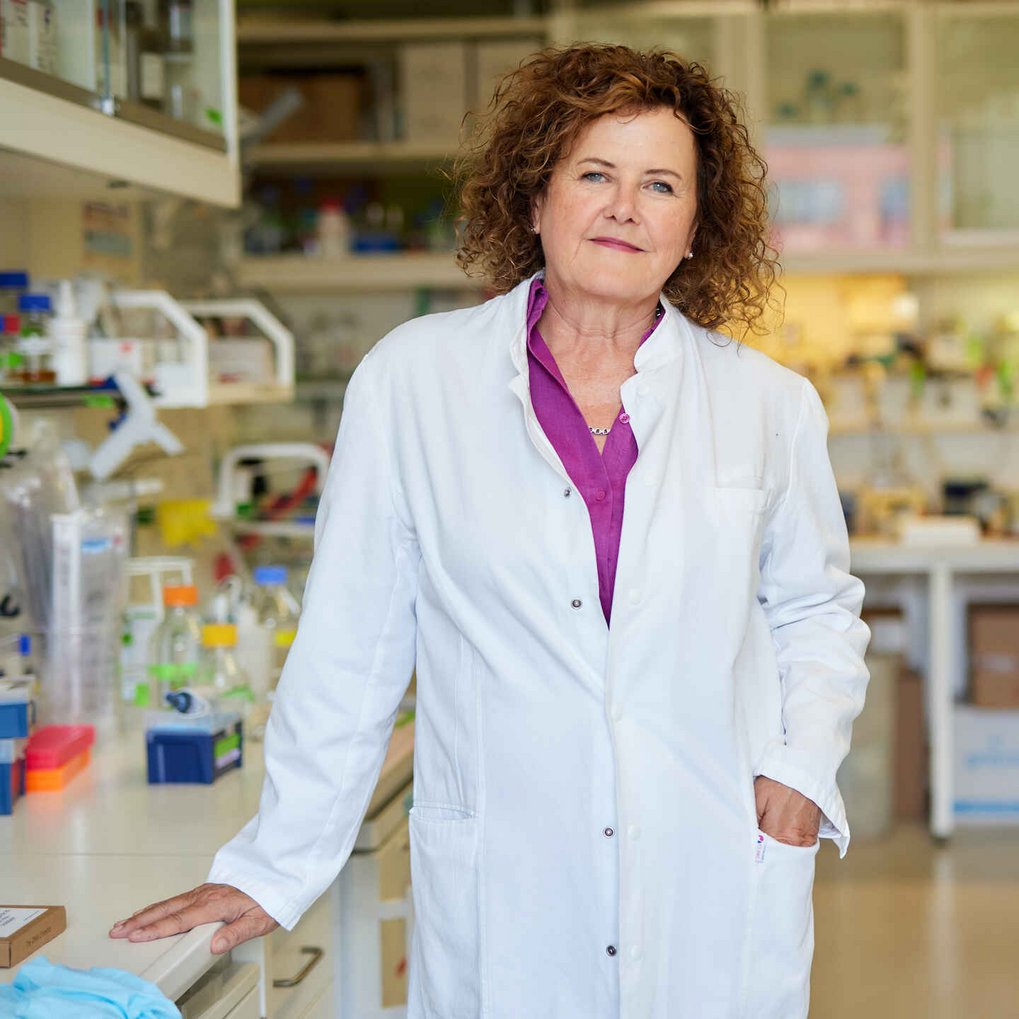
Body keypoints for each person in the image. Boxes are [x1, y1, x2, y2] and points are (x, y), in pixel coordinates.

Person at [111, 45, 870, 1018]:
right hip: (507, 884)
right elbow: (351, 640)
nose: (623, 207)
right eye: (593, 173)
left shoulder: (766, 404)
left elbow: (814, 610)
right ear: (532, 199)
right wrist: (271, 863)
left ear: (694, 227)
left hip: (711, 864)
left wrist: (797, 773)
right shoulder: (414, 382)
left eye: (660, 184)